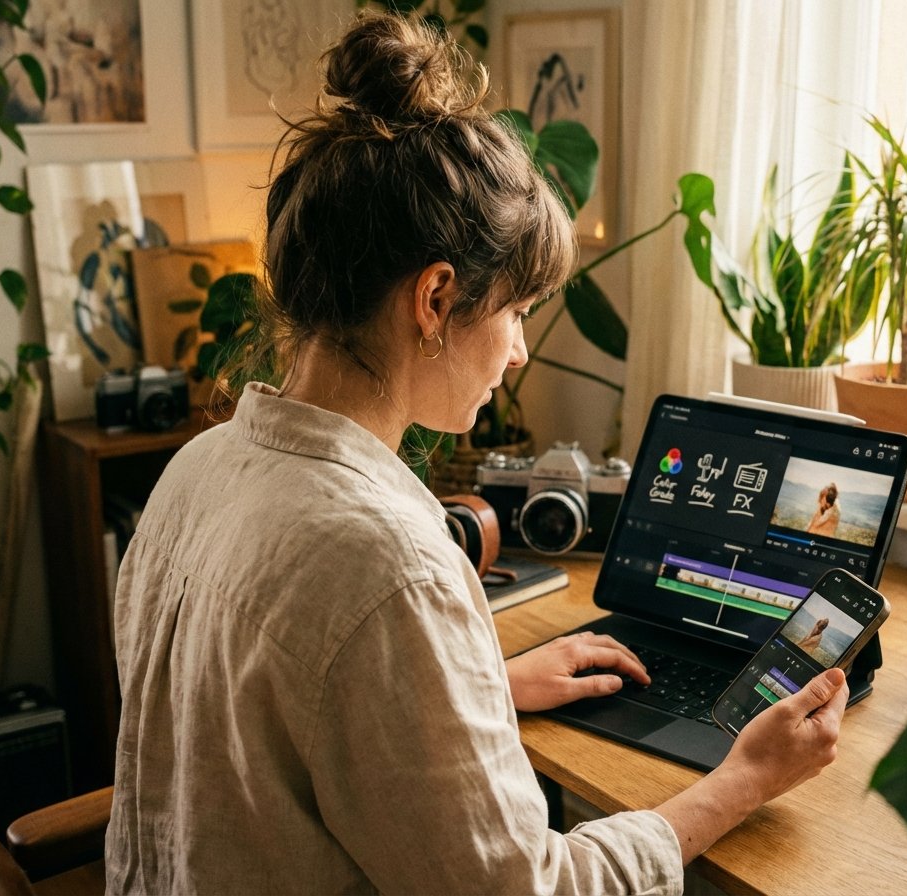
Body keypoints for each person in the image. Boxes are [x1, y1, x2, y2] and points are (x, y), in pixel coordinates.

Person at [104, 13, 848, 895]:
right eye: (517, 312)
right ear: (434, 299)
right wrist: (744, 779)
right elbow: (529, 888)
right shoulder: (390, 569)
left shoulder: (197, 471)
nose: (520, 351)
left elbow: (276, 719)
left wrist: (478, 685)